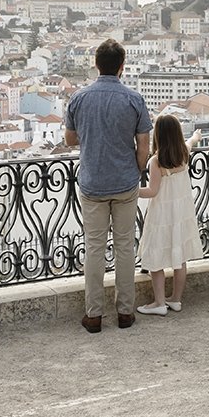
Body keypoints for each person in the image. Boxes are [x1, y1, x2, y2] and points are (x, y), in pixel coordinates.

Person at [65, 38, 152, 333]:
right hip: (125, 182)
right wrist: (137, 170)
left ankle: (94, 315)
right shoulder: (134, 99)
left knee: (94, 248)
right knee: (125, 247)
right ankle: (125, 312)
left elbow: (69, 139)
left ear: (96, 65)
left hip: (92, 182)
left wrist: (92, 134)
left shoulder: (78, 98)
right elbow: (144, 145)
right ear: (122, 67)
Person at [135, 114, 204, 316]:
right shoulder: (183, 153)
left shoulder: (156, 161)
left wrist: (131, 191)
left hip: (162, 214)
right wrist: (195, 137)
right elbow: (189, 143)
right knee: (180, 258)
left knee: (155, 256)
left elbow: (152, 191)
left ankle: (159, 302)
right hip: (181, 215)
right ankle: (175, 299)